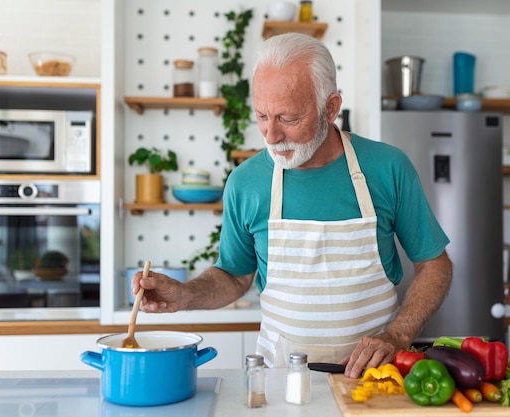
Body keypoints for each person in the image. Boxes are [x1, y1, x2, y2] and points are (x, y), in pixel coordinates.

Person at [132, 32, 453, 379]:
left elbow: (435, 264)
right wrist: (183, 294)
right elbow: (233, 276)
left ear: (331, 108)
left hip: (375, 382)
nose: (271, 136)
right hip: (280, 382)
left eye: (288, 118)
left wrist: (397, 335)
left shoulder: (388, 167)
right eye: (262, 116)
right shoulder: (246, 182)